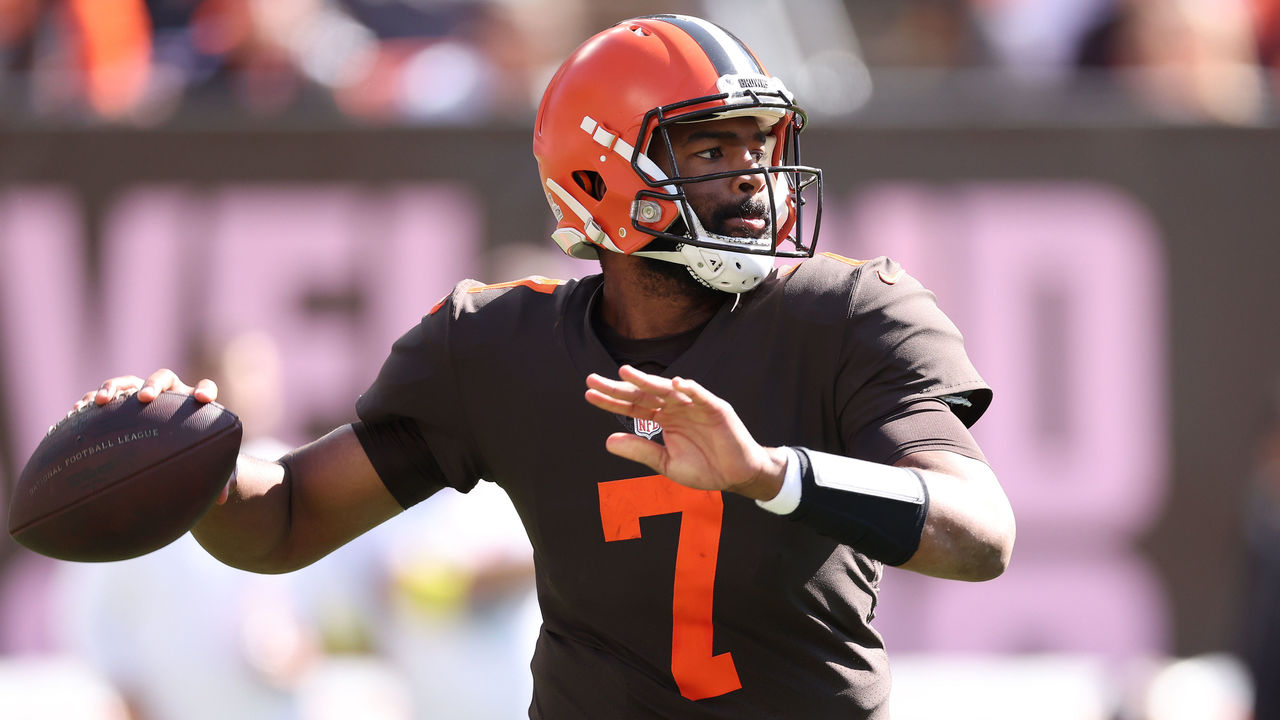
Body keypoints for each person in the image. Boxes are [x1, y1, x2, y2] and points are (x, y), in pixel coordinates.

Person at [83, 14, 1015, 719]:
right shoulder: (494, 347)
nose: (752, 178)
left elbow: (978, 531)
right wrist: (187, 460)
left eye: (758, 147)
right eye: (709, 148)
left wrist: (773, 475)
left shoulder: (849, 311)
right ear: (602, 175)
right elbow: (284, 523)